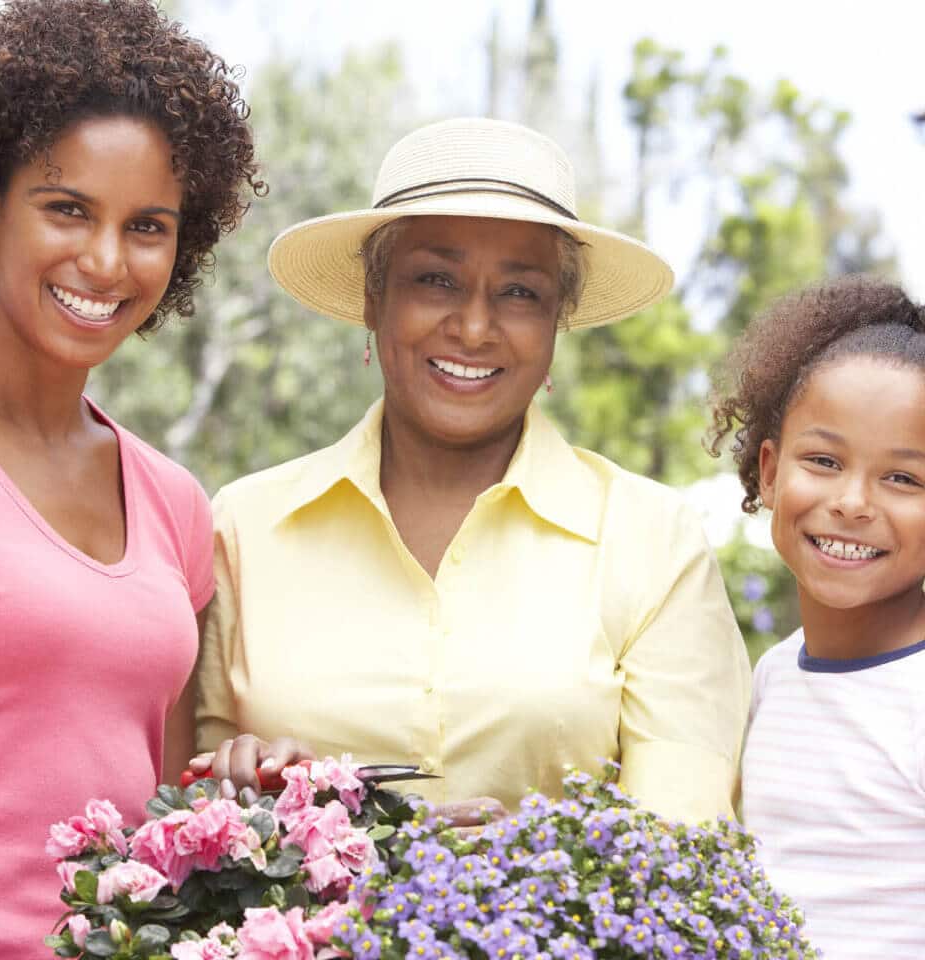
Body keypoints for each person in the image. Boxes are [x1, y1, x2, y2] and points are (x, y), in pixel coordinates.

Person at [195, 117, 751, 827]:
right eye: (435, 280)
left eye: (520, 293)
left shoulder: (652, 540)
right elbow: (193, 822)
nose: (475, 327)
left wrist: (495, 878)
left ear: (558, 319)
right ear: (374, 300)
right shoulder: (245, 527)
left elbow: (684, 843)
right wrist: (257, 807)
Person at [0, 1, 262, 955]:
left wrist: (265, 795)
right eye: (67, 209)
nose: (103, 260)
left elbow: (161, 819)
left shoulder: (175, 503)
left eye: (146, 225)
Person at [707, 276, 925, 960]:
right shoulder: (773, 676)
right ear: (769, 472)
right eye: (824, 461)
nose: (853, 502)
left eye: (903, 478)